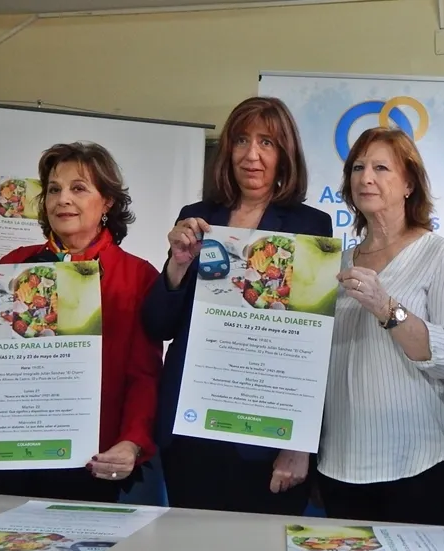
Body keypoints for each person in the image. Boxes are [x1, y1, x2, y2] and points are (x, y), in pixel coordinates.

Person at [0, 142, 163, 503]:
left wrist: (132, 443)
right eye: (54, 189)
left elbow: (144, 376)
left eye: (78, 188)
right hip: (10, 450)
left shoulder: (137, 276)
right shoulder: (13, 265)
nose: (63, 200)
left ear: (106, 202)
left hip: (92, 459)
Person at [142, 96, 332, 515]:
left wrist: (299, 444)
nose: (251, 155)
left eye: (267, 142)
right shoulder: (197, 218)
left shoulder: (309, 226)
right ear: (227, 150)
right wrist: (177, 263)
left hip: (265, 433)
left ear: (285, 155)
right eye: (242, 141)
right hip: (193, 426)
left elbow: (312, 350)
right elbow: (158, 325)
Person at [317, 127, 444, 526]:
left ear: (408, 184)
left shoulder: (441, 254)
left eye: (381, 167)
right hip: (338, 463)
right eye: (357, 167)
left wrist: (387, 307)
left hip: (418, 465)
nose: (365, 177)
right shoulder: (331, 262)